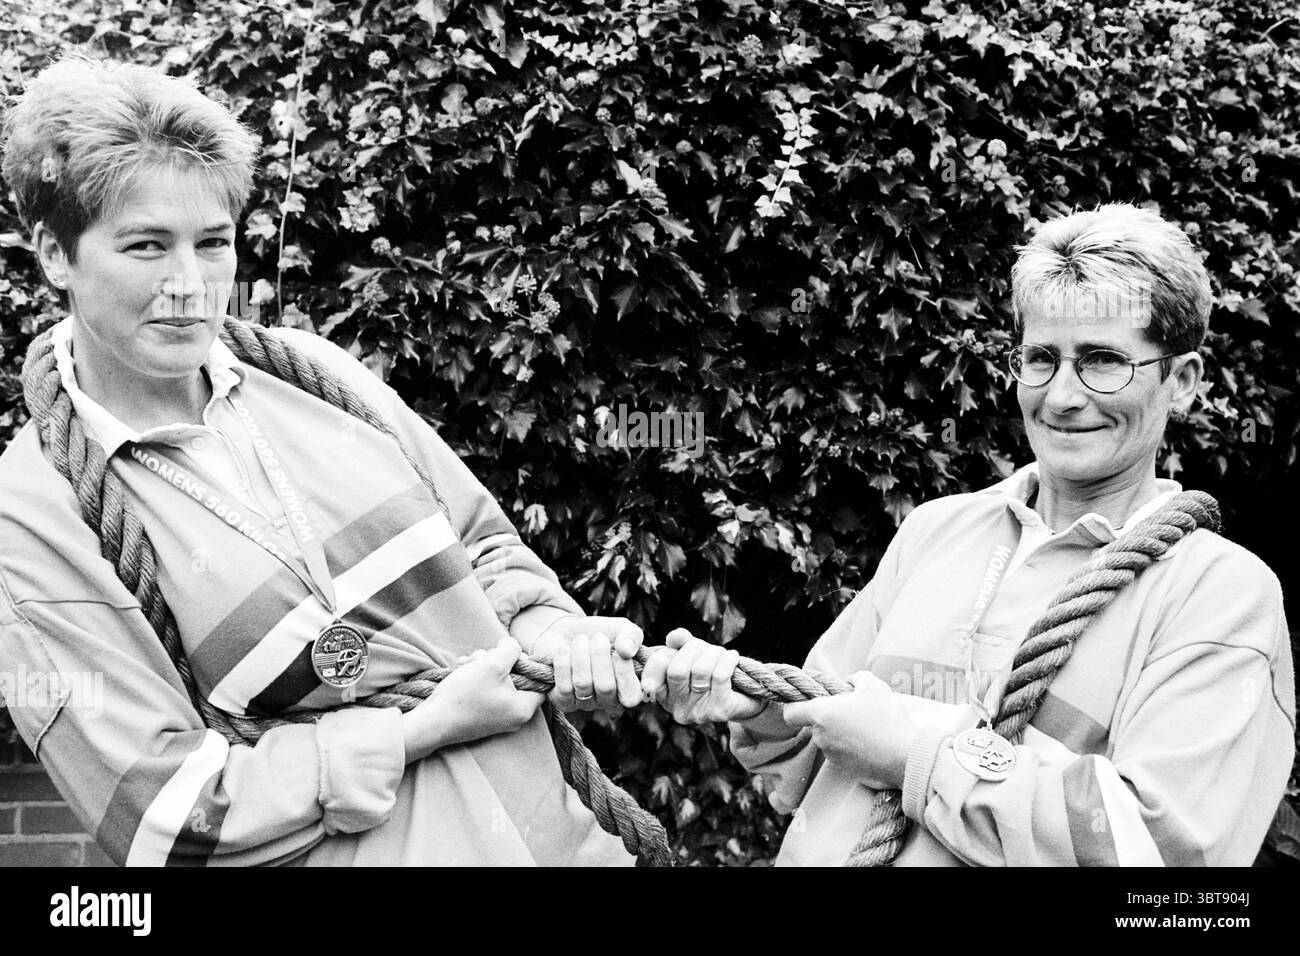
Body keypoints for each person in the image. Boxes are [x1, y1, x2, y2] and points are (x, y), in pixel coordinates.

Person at [0, 53, 644, 866]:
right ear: (55, 254)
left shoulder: (318, 373)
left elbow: (486, 550)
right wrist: (423, 729)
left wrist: (556, 631)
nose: (189, 285)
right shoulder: (30, 515)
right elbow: (164, 813)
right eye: (145, 246)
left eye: (213, 243)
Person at [643, 203, 1296, 866]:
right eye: (1041, 358)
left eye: (1102, 361)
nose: (1063, 396)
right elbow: (824, 748)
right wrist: (752, 707)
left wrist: (914, 756)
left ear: (1181, 382)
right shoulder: (936, 530)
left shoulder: (1222, 595)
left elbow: (1161, 858)